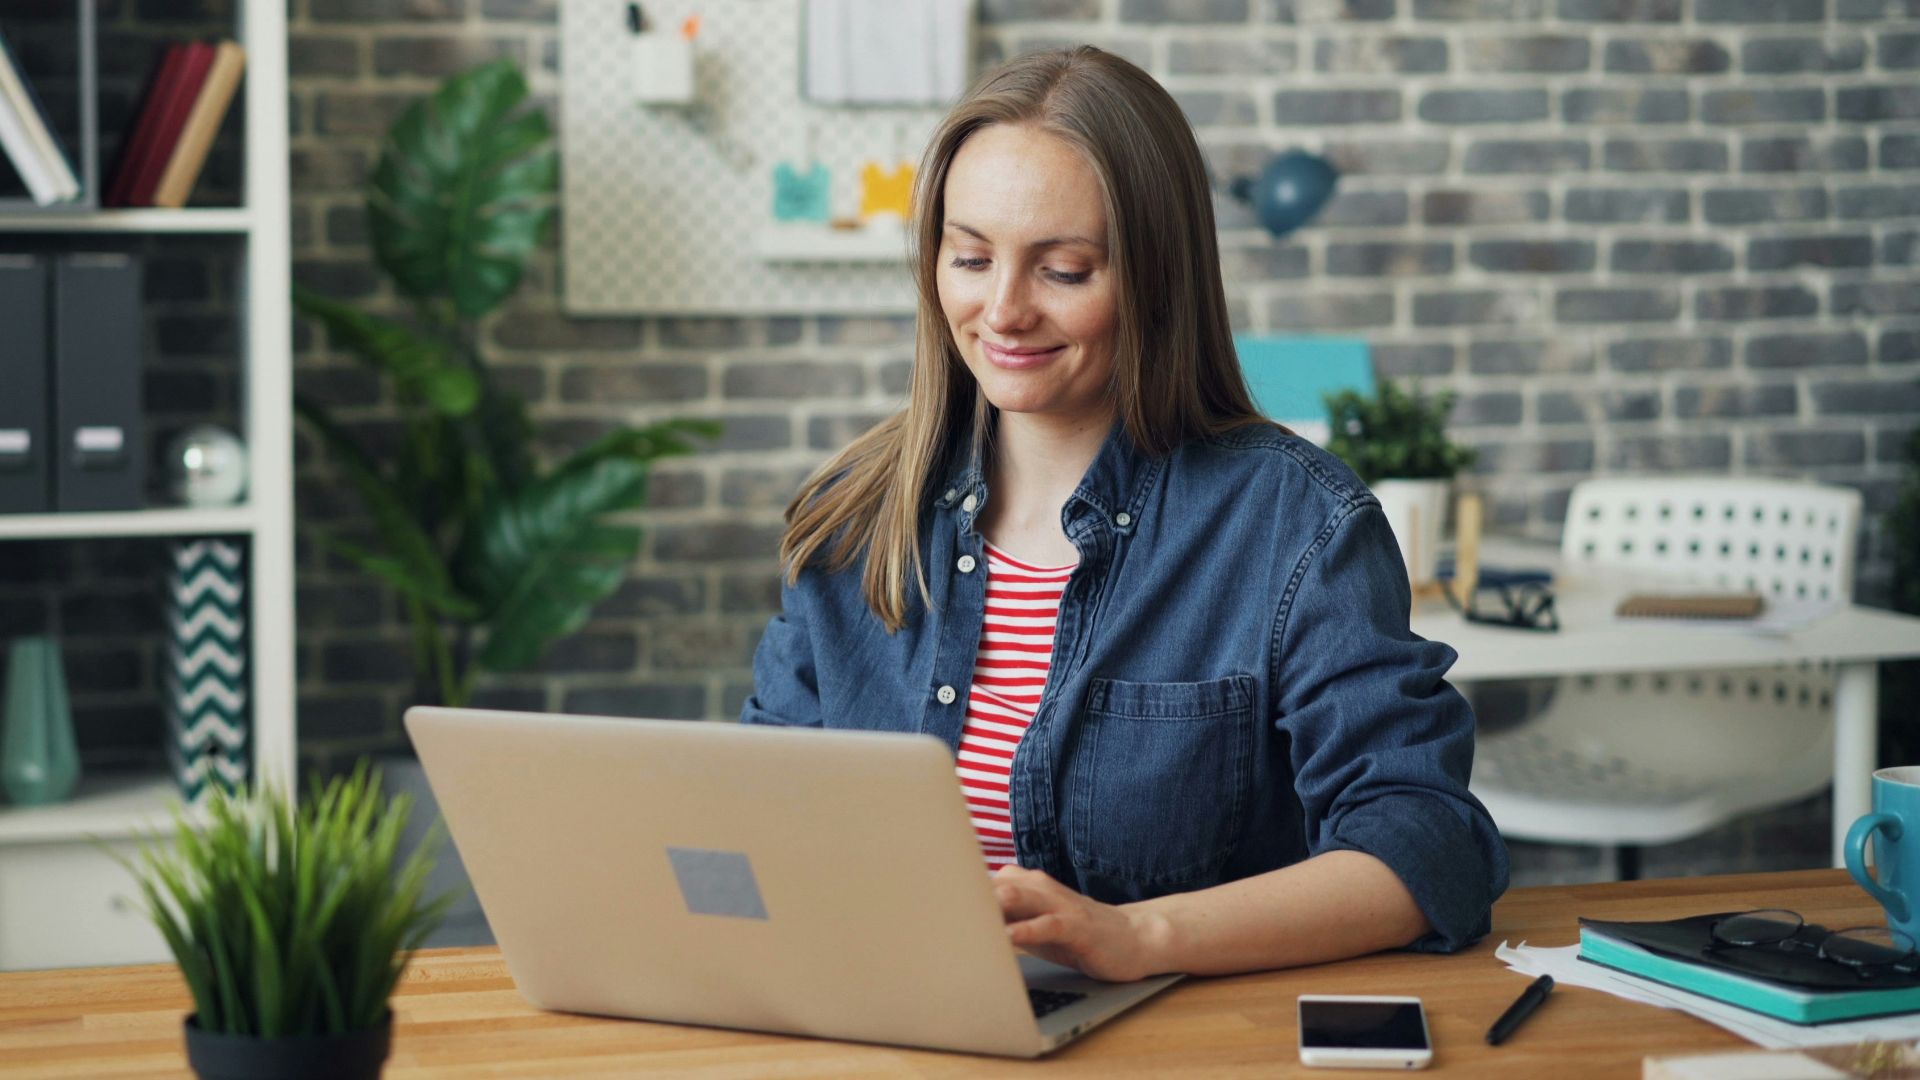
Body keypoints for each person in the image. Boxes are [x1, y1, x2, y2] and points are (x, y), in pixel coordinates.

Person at [742, 46, 1508, 982]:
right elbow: (761, 815)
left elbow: (1428, 841)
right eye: (972, 257)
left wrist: (1136, 938)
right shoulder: (852, 523)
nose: (1004, 310)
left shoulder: (1293, 525)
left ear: (1154, 280)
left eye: (1064, 271)